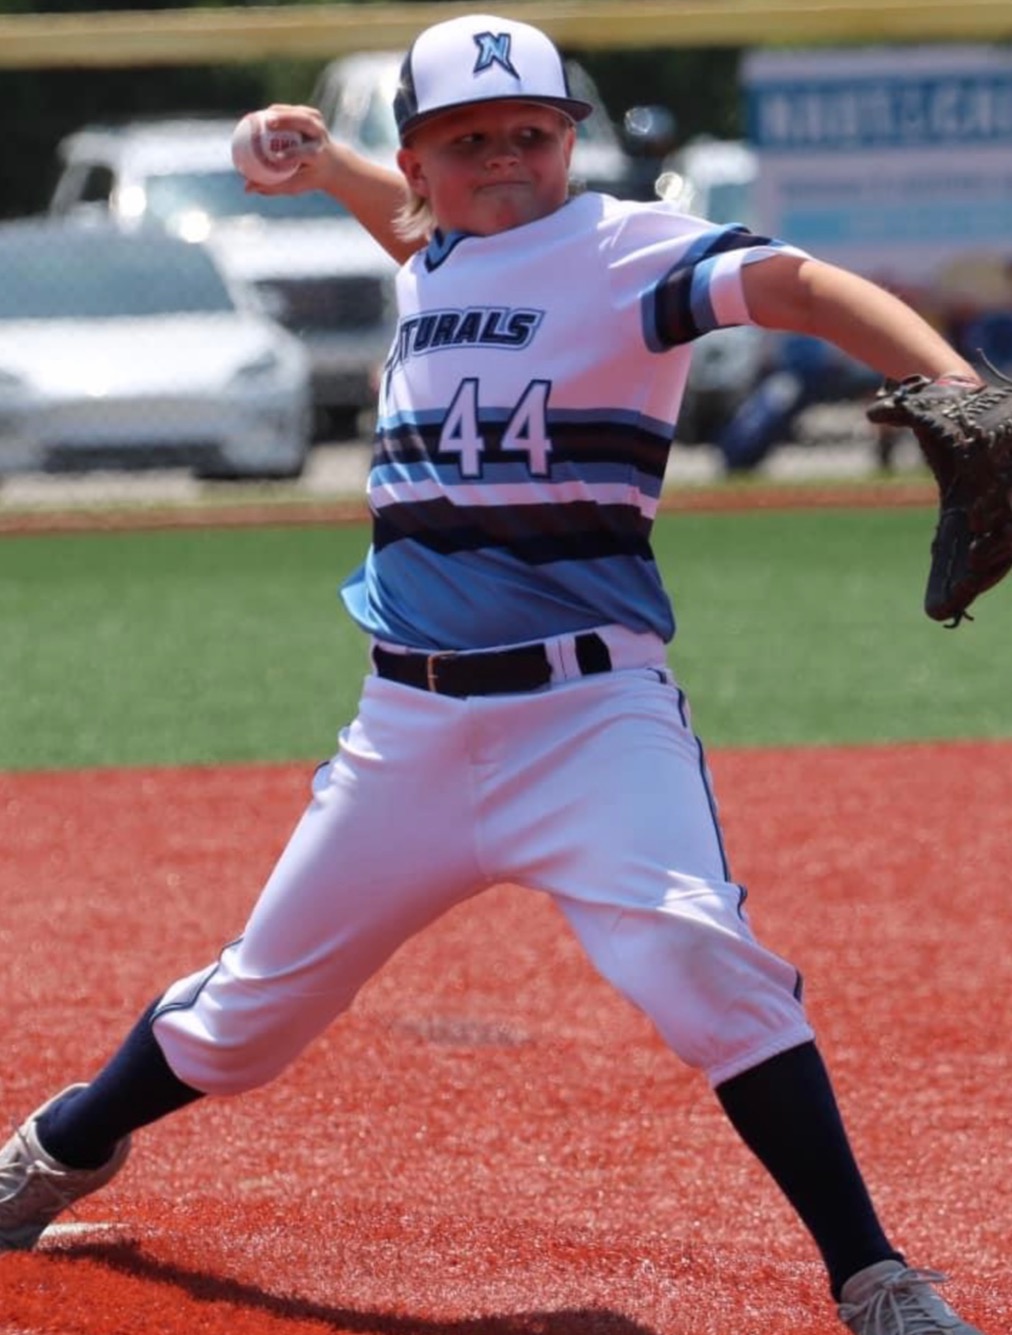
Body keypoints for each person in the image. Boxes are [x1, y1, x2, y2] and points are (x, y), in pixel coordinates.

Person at [0, 15, 991, 1335]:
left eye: (533, 131)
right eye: (469, 141)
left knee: (701, 956)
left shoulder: (630, 252)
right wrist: (326, 163)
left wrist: (957, 384)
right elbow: (428, 238)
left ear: (572, 141)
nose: (508, 158)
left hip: (590, 719)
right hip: (406, 732)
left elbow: (800, 287)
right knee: (250, 1016)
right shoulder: (439, 253)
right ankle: (64, 1143)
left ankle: (874, 1275)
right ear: (419, 161)